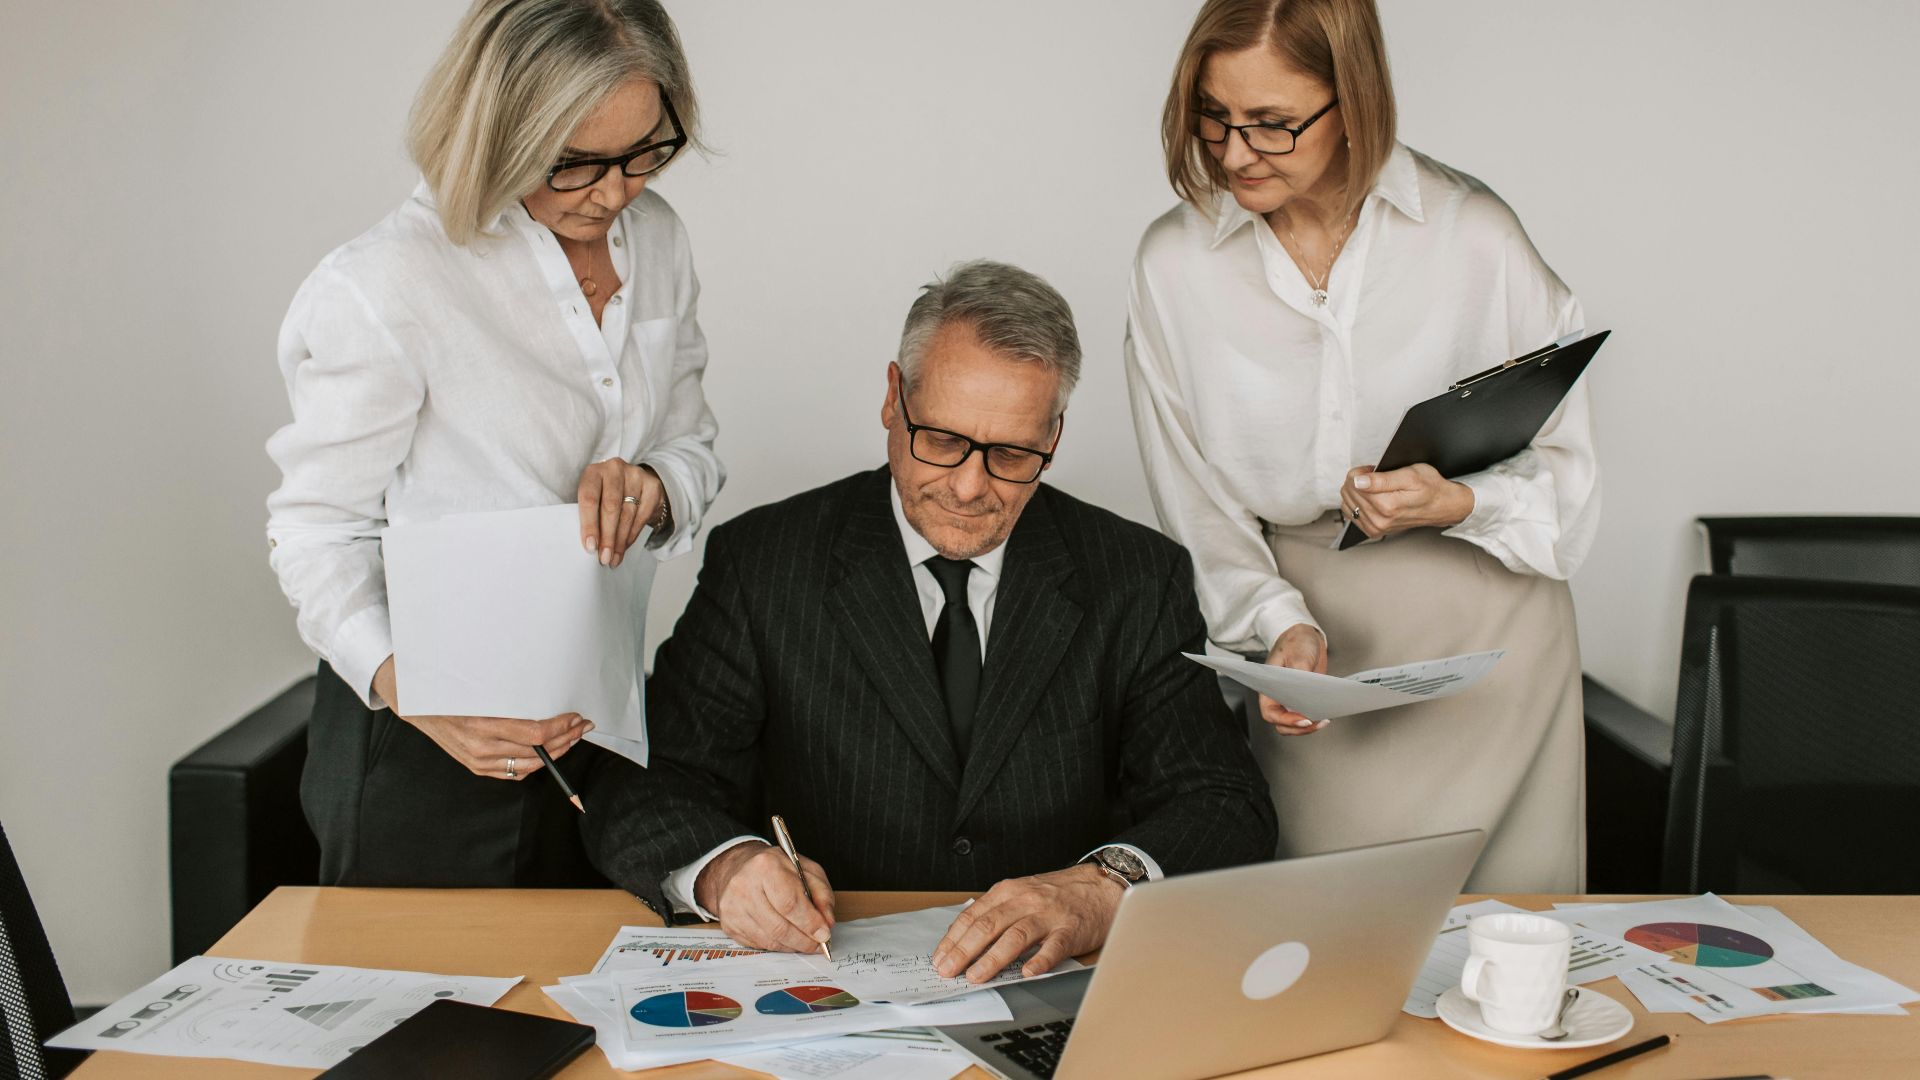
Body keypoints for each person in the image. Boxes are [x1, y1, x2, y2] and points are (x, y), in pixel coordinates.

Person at [587, 260, 1275, 979]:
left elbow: (1224, 802)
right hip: (827, 979)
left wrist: (1105, 886)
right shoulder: (766, 563)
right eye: (942, 441)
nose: (970, 487)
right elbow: (648, 782)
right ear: (894, 399)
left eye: (1012, 454)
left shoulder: (1138, 576)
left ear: (1056, 436)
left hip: (1052, 984)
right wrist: (726, 869)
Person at [1124, 0, 1597, 892]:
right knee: (1317, 953)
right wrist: (1279, 626)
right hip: (1317, 649)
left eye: (1272, 124)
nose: (1232, 153)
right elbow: (1198, 507)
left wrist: (1459, 501)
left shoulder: (1476, 236)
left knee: (1508, 958)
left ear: (1356, 98)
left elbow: (1569, 492)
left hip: (1498, 647)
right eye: (1214, 116)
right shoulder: (1174, 266)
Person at [265, 0, 723, 887]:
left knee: (585, 1012)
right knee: (426, 1021)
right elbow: (314, 533)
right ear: (498, 131)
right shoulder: (384, 282)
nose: (615, 191)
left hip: (593, 716)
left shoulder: (658, 238)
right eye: (575, 163)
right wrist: (420, 698)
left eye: (645, 152)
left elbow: (694, 444)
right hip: (418, 743)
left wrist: (655, 485)